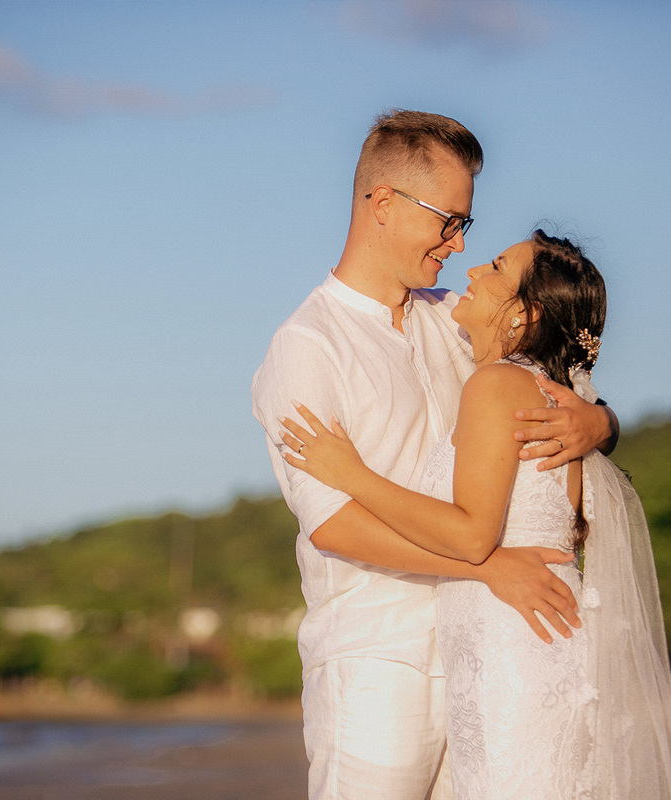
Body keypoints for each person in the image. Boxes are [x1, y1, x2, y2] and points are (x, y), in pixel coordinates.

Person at [251, 110, 617, 800]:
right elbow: (335, 524)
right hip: (377, 662)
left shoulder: (455, 319)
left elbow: (553, 375)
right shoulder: (308, 346)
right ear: (383, 204)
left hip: (484, 652)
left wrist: (601, 422)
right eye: (448, 220)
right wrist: (487, 564)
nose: (456, 243)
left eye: (465, 225)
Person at [280, 231, 671, 800]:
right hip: (529, 629)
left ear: (525, 314)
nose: (470, 268)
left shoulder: (497, 384)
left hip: (513, 643)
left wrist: (352, 475)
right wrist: (602, 422)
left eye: (495, 265)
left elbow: (473, 535)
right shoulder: (542, 387)